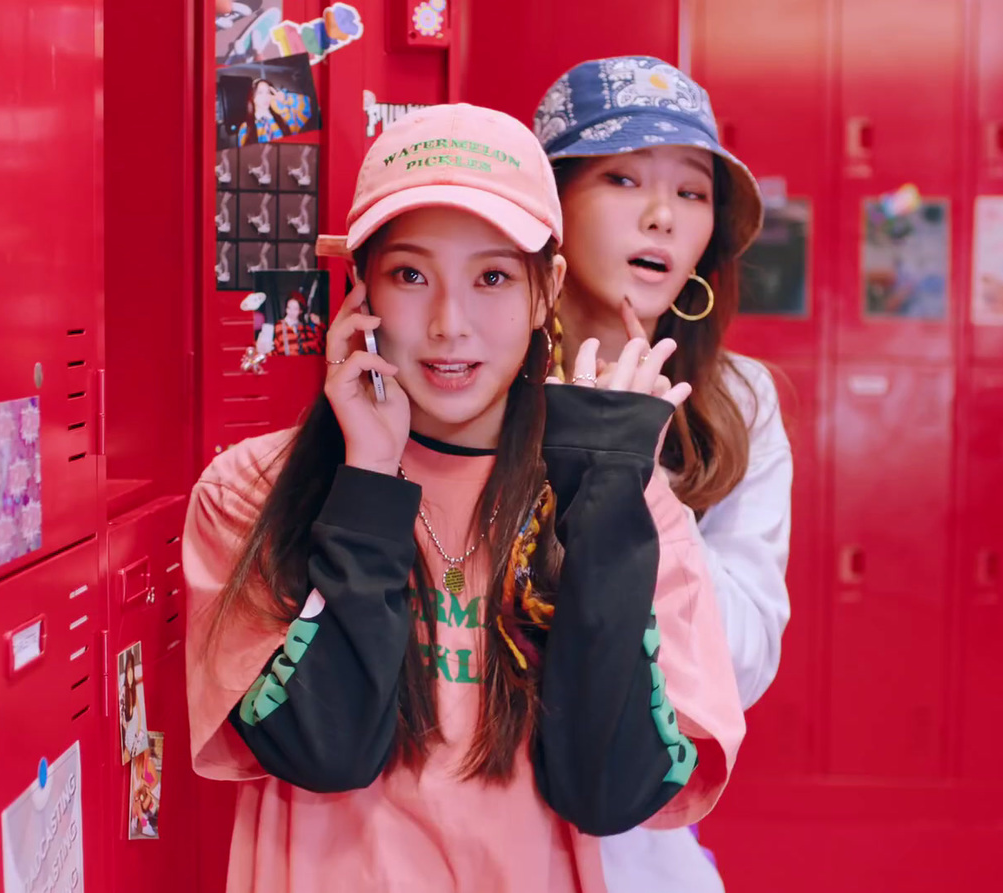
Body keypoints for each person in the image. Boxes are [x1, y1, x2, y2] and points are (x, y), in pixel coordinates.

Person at [184, 103, 744, 893]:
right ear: (359, 286)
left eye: (491, 277)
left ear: (545, 289)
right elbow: (324, 748)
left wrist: (608, 503)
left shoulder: (622, 504)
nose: (450, 324)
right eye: (411, 274)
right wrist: (369, 482)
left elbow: (608, 787)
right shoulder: (252, 491)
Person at [533, 57, 793, 892]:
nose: (662, 217)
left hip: (637, 844)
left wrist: (631, 467)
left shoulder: (736, 400)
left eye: (691, 192)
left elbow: (743, 660)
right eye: (621, 177)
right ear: (552, 203)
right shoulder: (473, 371)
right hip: (470, 830)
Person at [237, 77, 313, 145]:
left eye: (268, 92)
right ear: (252, 97)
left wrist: (285, 99)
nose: (266, 96)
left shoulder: (285, 117)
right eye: (260, 92)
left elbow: (308, 106)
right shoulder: (245, 128)